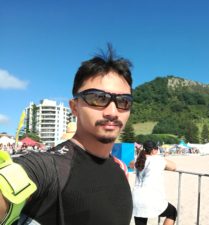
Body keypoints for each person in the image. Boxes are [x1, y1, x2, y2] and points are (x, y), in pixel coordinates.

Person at [0, 45, 133, 225]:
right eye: (98, 98)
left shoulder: (119, 169)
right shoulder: (48, 167)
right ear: (74, 107)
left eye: (123, 101)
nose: (112, 111)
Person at [132, 140, 177, 225]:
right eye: (156, 148)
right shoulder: (157, 160)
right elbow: (174, 167)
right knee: (172, 212)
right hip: (151, 199)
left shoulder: (139, 161)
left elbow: (131, 164)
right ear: (153, 150)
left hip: (136, 198)